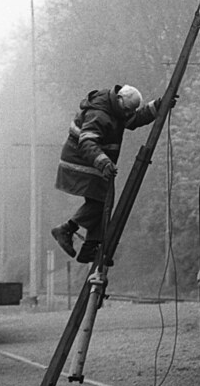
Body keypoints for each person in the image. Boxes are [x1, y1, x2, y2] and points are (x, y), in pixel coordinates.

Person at [51, 83, 174, 264]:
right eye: (127, 110)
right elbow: (87, 143)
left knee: (101, 202)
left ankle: (89, 247)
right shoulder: (99, 114)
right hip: (80, 162)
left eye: (130, 111)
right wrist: (103, 161)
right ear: (119, 99)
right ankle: (67, 229)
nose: (128, 114)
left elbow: (135, 119)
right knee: (101, 201)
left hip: (91, 161)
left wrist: (158, 105)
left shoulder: (117, 109)